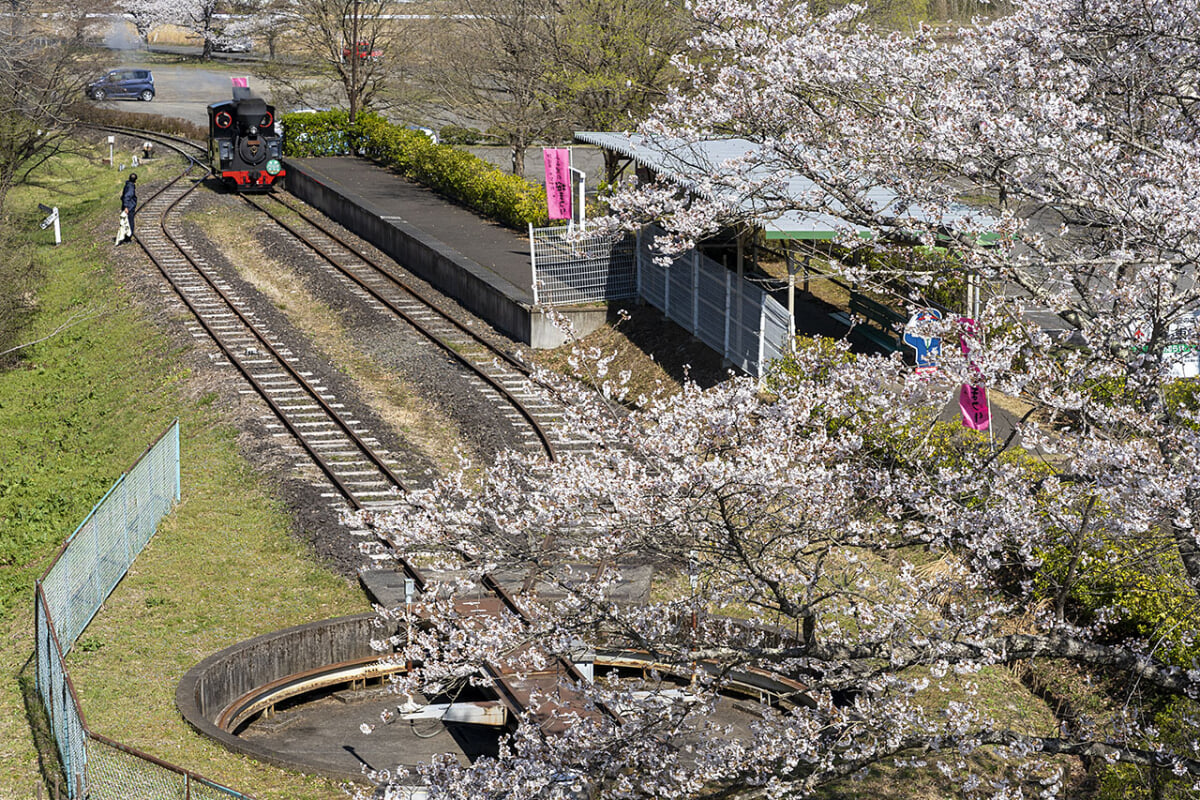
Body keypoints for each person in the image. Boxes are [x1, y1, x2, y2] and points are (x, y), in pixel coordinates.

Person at [119, 173, 137, 243]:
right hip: (129, 207)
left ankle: (126, 237)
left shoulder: (128, 185)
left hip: (127, 206)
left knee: (126, 222)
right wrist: (126, 207)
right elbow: (127, 196)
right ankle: (128, 238)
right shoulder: (131, 187)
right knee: (129, 222)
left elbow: (123, 196)